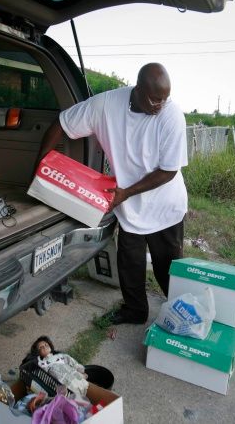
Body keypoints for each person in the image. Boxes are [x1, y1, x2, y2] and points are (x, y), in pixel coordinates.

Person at [35, 63, 187, 325]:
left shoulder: (171, 115)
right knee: (129, 264)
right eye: (154, 99)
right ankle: (135, 311)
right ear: (137, 89)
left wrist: (126, 192)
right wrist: (41, 166)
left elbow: (168, 171)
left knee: (168, 270)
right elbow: (60, 124)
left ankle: (184, 316)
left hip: (165, 206)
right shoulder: (106, 105)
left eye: (165, 99)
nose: (160, 105)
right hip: (128, 206)